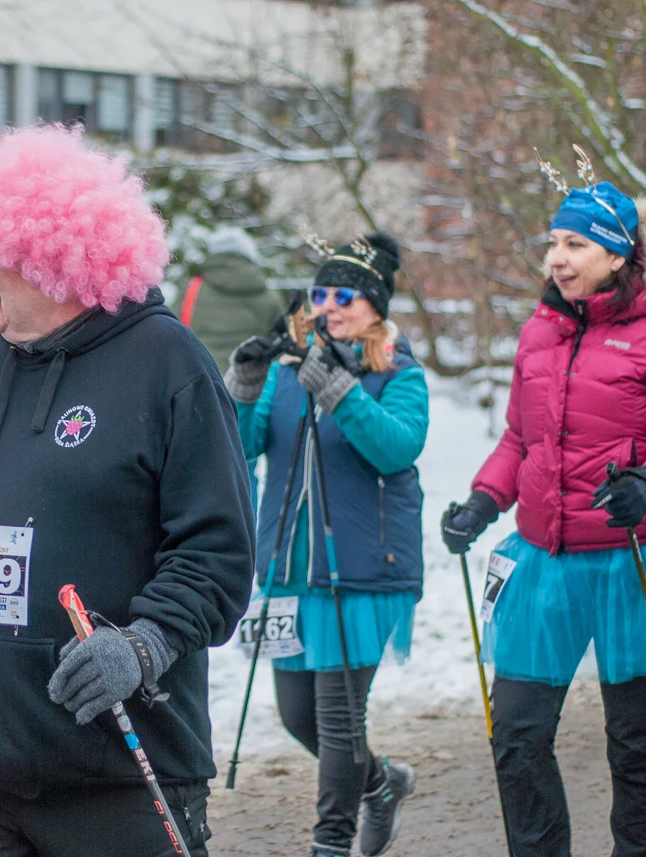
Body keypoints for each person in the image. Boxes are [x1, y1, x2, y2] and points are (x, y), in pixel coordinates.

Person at [0, 125, 254, 857]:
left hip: (114, 772)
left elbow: (218, 553)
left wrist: (146, 645)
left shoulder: (168, 363)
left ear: (49, 255)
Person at [440, 162, 646, 857]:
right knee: (516, 733)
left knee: (635, 742)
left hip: (636, 562)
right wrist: (483, 500)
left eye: (575, 244)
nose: (557, 257)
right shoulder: (539, 333)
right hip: (544, 561)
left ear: (617, 255)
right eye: (554, 242)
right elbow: (521, 440)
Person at [225, 233, 427, 857]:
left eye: (345, 296)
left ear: (375, 307)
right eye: (320, 295)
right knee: (297, 716)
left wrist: (338, 390)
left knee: (339, 721)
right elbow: (241, 448)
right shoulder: (289, 373)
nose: (328, 307)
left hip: (362, 574)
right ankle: (382, 784)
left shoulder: (398, 372)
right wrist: (244, 385)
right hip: (291, 569)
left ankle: (330, 844)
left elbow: (396, 447)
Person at [172, 226, 288, 373]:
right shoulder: (268, 295)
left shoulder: (191, 290)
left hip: (201, 377)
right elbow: (282, 346)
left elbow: (170, 334)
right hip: (251, 380)